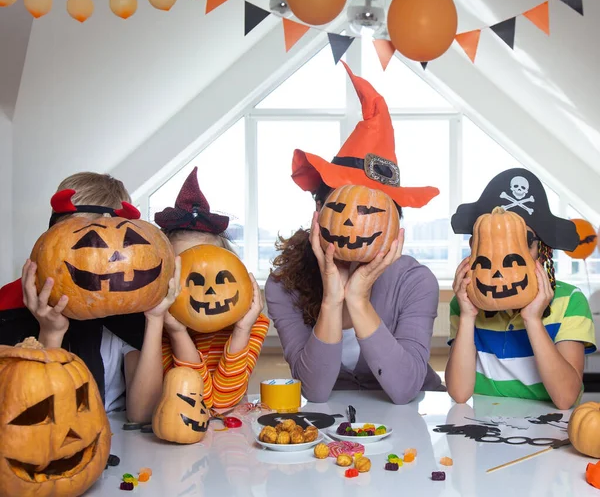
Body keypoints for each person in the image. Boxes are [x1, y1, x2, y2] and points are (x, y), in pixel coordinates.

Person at [265, 62, 445, 405]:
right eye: (343, 208)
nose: (352, 224)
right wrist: (333, 300)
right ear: (319, 213)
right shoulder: (282, 285)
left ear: (392, 224)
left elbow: (406, 389)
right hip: (332, 431)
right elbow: (314, 391)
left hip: (414, 424)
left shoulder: (416, 281)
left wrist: (358, 300)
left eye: (369, 212)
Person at [0, 172, 180, 421]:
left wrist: (155, 318)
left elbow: (143, 414)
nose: (107, 262)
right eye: (86, 246)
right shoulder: (10, 310)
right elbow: (28, 415)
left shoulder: (129, 309)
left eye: (123, 242)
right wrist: (50, 332)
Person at [446, 168, 597, 409]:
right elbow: (459, 394)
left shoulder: (570, 301)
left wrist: (533, 320)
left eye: (522, 241)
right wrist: (466, 316)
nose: (507, 256)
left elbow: (566, 398)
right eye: (493, 242)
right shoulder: (465, 302)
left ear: (543, 250)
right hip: (481, 429)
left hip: (546, 430)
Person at [153, 167, 269, 409]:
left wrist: (241, 331)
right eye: (188, 274)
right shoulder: (159, 326)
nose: (207, 290)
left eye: (214, 273)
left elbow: (225, 403)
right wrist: (177, 333)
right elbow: (199, 403)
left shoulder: (253, 323)